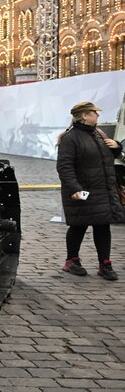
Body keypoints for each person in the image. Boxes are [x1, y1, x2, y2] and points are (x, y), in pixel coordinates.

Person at [56, 101, 124, 281]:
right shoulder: (70, 138)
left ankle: (105, 264)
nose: (98, 116)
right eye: (94, 113)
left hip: (102, 190)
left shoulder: (99, 134)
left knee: (103, 225)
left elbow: (105, 157)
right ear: (84, 115)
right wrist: (75, 188)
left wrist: (117, 147)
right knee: (79, 225)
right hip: (83, 190)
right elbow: (64, 167)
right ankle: (72, 261)